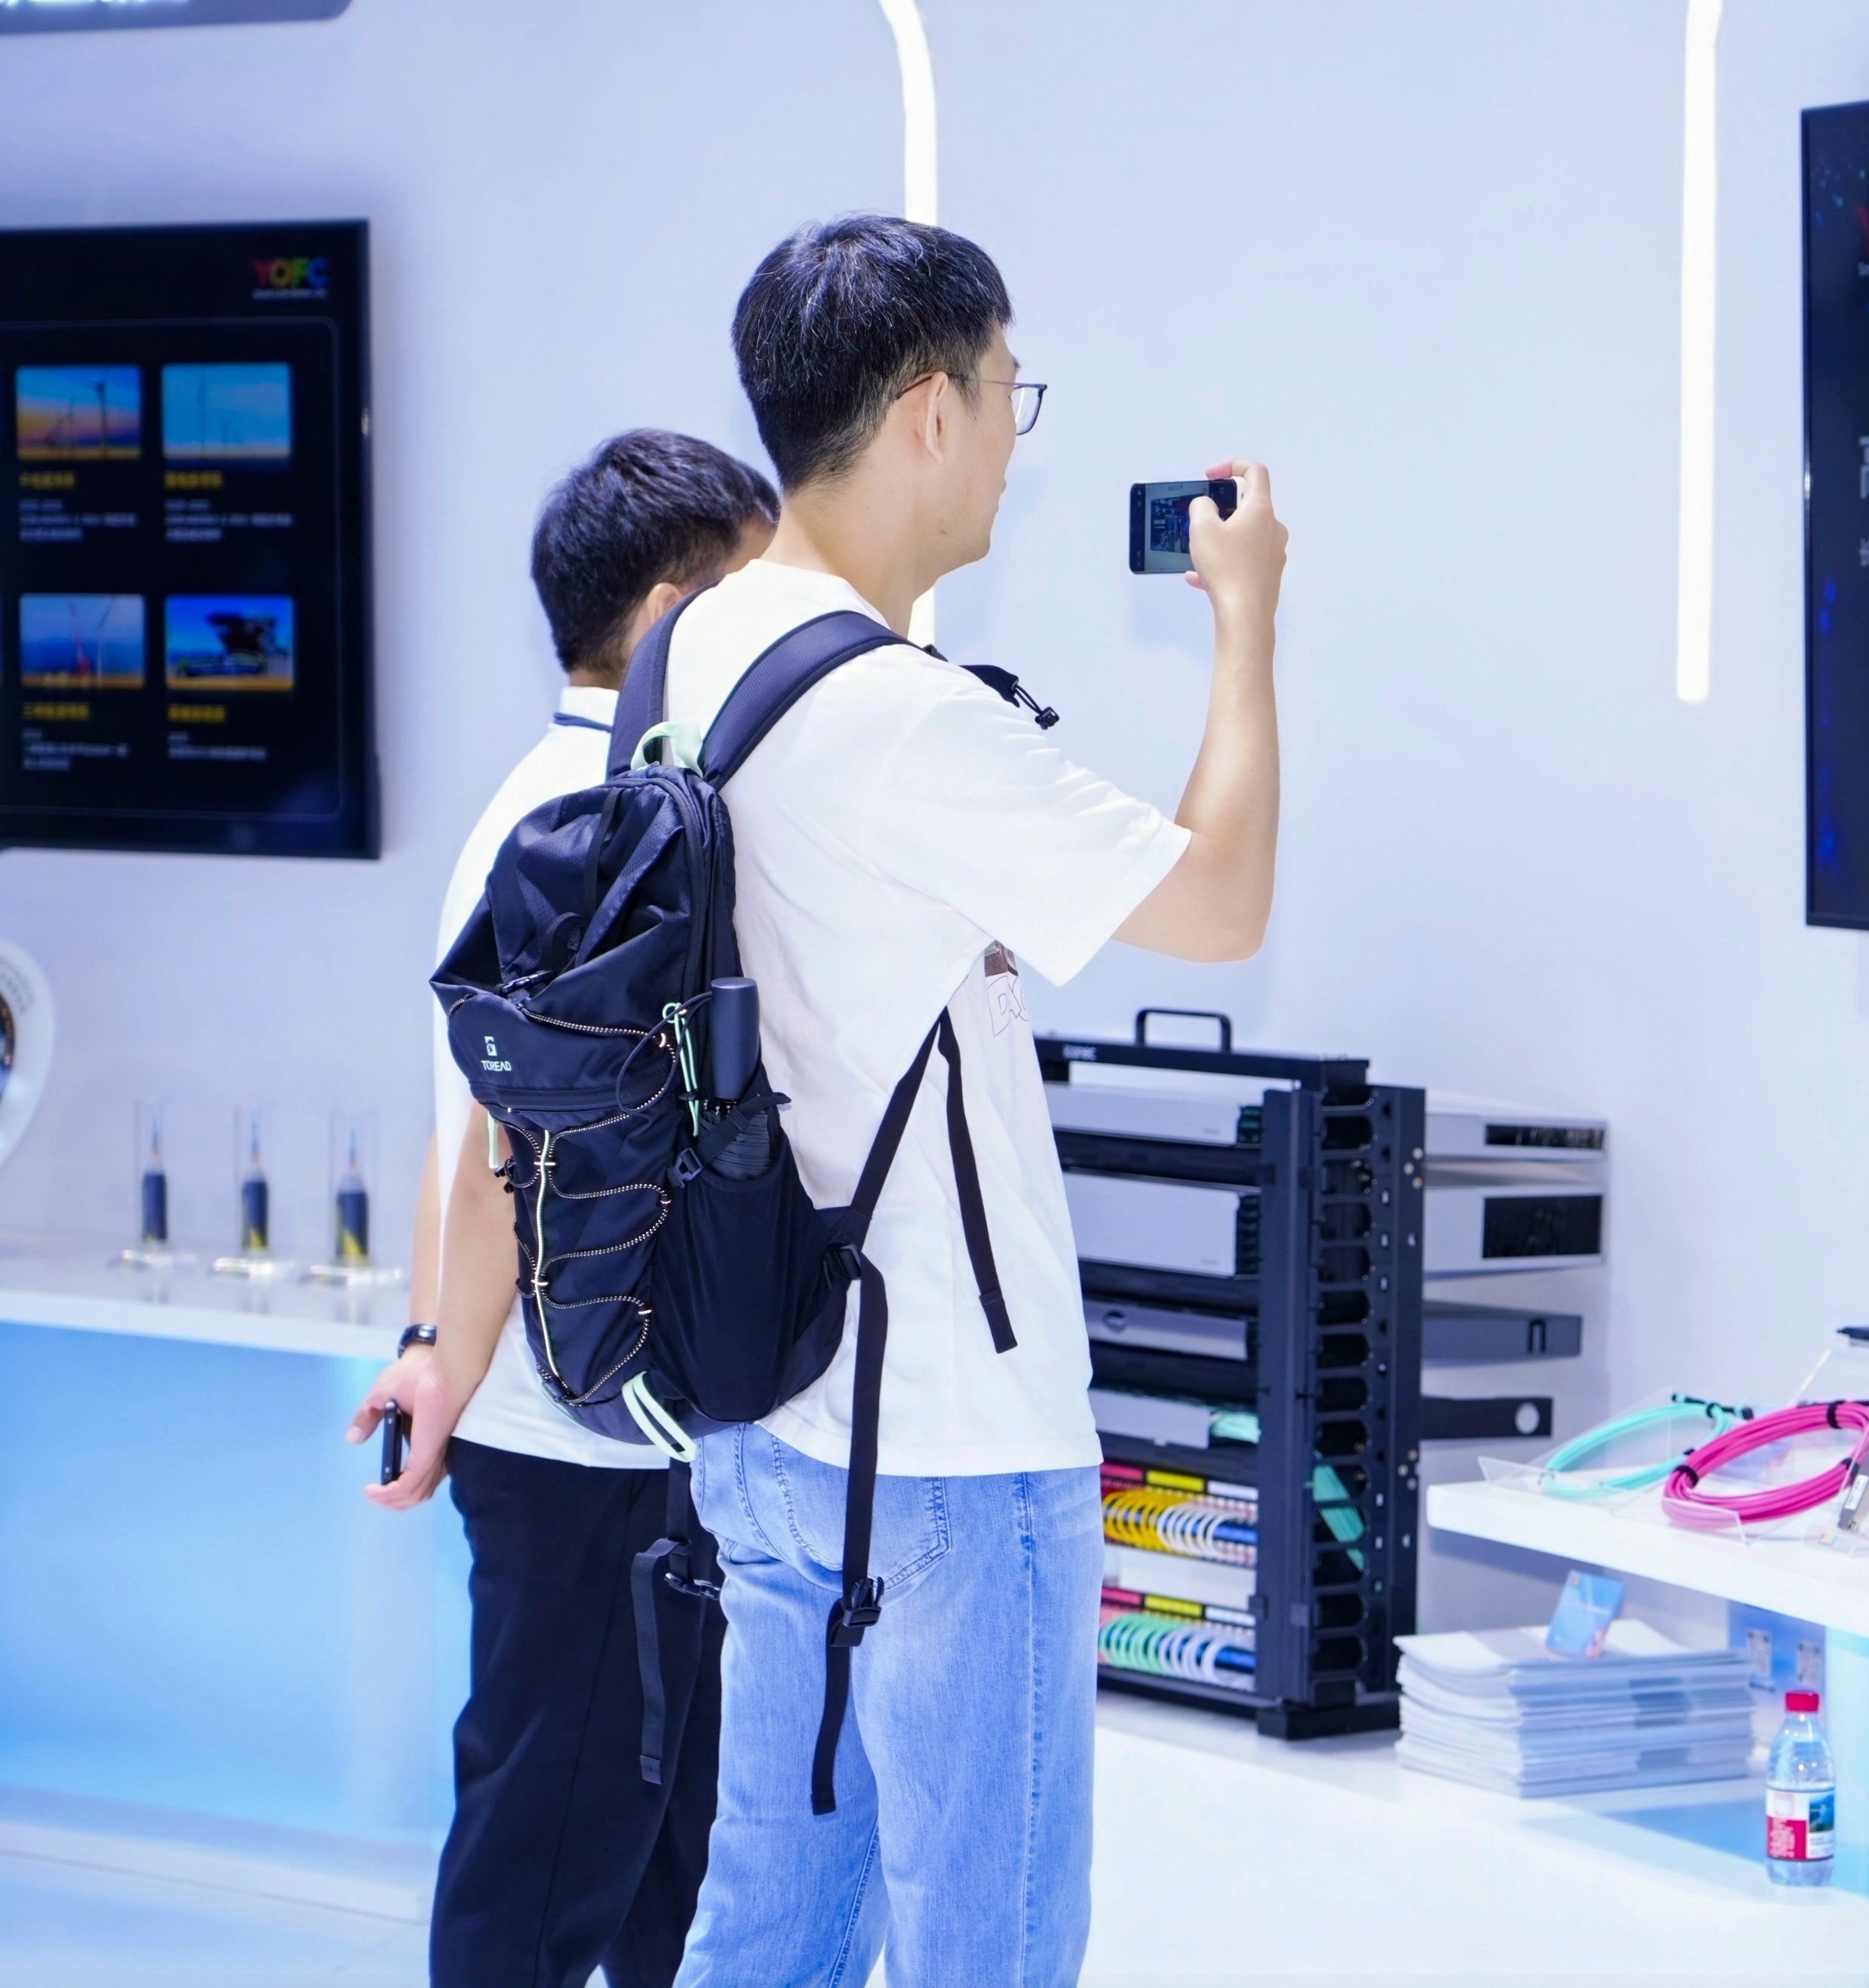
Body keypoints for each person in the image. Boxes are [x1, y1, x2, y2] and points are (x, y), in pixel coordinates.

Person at [662, 216, 1285, 1988]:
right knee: (988, 1951)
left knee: (766, 1938)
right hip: (947, 1439)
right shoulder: (898, 718)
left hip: (766, 1403)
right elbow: (1222, 900)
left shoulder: (696, 651)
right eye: (1015, 394)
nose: (1018, 436)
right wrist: (1246, 626)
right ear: (930, 412)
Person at [345, 431, 778, 1988]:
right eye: (757, 588)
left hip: (582, 1421)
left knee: (663, 1864)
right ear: (673, 611)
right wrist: (451, 1357)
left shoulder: (544, 803)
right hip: (592, 1436)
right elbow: (498, 1153)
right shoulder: (611, 820)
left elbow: (462, 1126)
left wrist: (432, 1345)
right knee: (549, 1861)